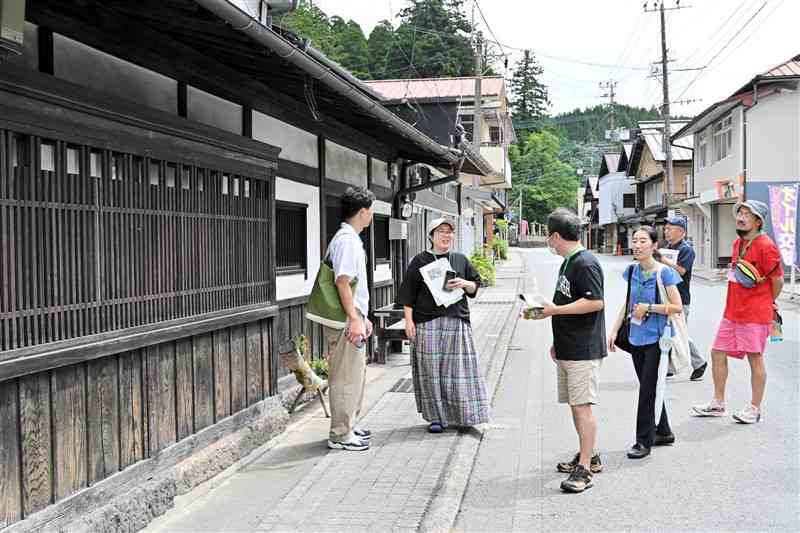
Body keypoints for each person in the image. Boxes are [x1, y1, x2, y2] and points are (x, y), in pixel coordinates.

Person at [531, 208, 606, 493]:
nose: (549, 244)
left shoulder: (585, 263)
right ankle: (590, 454)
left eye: (549, 238)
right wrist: (555, 329)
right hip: (568, 345)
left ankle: (585, 469)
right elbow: (567, 301)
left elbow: (595, 302)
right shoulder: (569, 261)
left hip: (584, 348)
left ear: (555, 236)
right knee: (576, 405)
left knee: (582, 407)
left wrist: (555, 311)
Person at [693, 200, 784, 424]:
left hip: (755, 313)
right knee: (717, 352)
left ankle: (754, 408)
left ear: (758, 221)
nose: (741, 217)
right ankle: (718, 403)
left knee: (755, 358)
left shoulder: (766, 245)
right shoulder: (737, 243)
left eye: (747, 214)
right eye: (740, 213)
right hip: (732, 311)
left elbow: (778, 281)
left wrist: (767, 301)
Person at [397, 217, 490, 434]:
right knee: (431, 371)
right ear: (431, 236)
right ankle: (436, 417)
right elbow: (408, 294)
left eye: (449, 231)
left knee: (458, 371)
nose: (446, 235)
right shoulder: (419, 261)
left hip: (456, 320)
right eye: (441, 231)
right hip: (426, 323)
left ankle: (464, 414)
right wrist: (408, 322)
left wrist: (465, 284)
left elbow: (475, 286)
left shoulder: (460, 259)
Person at [609, 226, 684, 460]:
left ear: (654, 246)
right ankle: (664, 431)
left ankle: (643, 441)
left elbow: (677, 306)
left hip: (657, 340)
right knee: (649, 385)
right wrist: (613, 330)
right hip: (635, 338)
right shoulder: (632, 271)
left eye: (643, 241)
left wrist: (650, 308)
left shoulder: (665, 273)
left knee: (647, 391)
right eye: (635, 241)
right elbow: (628, 302)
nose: (637, 245)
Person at [323, 186, 375, 451]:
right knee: (344, 376)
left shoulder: (350, 238)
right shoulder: (346, 241)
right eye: (371, 211)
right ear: (363, 211)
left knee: (354, 374)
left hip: (352, 316)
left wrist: (361, 317)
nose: (372, 216)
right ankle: (340, 434)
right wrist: (354, 318)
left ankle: (349, 426)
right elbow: (342, 282)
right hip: (346, 318)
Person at [659, 216, 708, 381]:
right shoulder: (668, 247)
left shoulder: (686, 250)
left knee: (679, 333)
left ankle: (699, 363)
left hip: (681, 298)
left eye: (670, 228)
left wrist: (664, 261)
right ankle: (669, 368)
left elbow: (681, 271)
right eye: (666, 228)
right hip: (667, 296)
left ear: (681, 231)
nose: (666, 231)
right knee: (668, 332)